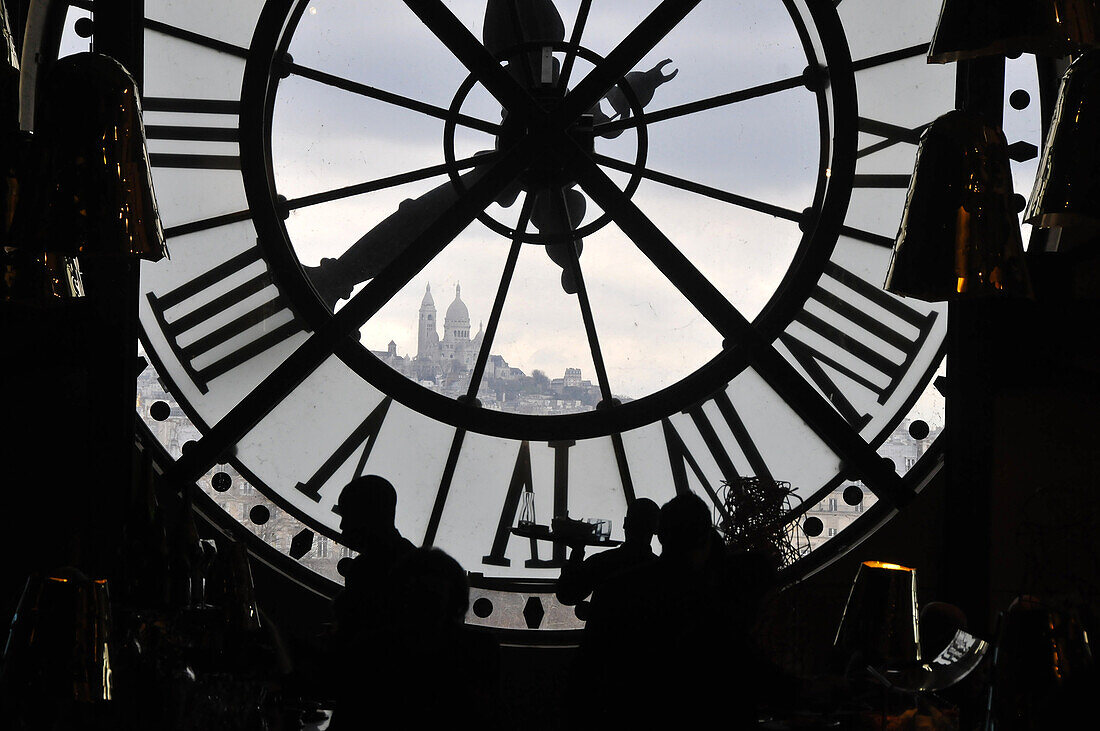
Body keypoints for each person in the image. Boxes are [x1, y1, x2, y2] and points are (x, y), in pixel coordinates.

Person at [555, 497, 660, 608]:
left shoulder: (602, 562)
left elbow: (566, 595)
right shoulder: (662, 571)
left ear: (625, 523)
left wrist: (577, 551)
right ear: (656, 529)